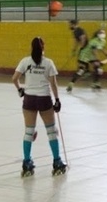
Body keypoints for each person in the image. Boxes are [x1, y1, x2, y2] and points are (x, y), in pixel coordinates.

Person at [12, 36, 66, 176]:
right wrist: (57, 100)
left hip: (29, 99)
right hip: (44, 100)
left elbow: (14, 78)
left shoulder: (25, 61)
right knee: (51, 132)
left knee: (29, 132)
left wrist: (20, 90)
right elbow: (53, 84)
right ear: (43, 48)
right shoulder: (48, 63)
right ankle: (57, 161)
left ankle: (27, 162)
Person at [67, 27, 107, 92]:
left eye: (104, 33)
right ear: (97, 34)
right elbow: (94, 51)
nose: (103, 34)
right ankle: (71, 83)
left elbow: (103, 49)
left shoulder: (103, 41)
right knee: (81, 70)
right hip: (85, 54)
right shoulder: (94, 41)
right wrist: (98, 60)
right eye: (101, 33)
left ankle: (96, 83)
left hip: (92, 56)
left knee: (98, 69)